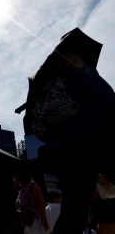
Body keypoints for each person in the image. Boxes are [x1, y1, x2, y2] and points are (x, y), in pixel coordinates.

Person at [32, 52, 115, 233]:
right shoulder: (85, 75)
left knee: (73, 214)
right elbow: (109, 102)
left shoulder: (53, 85)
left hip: (67, 153)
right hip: (97, 143)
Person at [14, 168, 49, 234]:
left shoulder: (31, 185)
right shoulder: (21, 190)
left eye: (16, 176)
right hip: (25, 224)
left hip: (34, 221)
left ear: (21, 176)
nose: (14, 178)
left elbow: (41, 201)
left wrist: (44, 218)